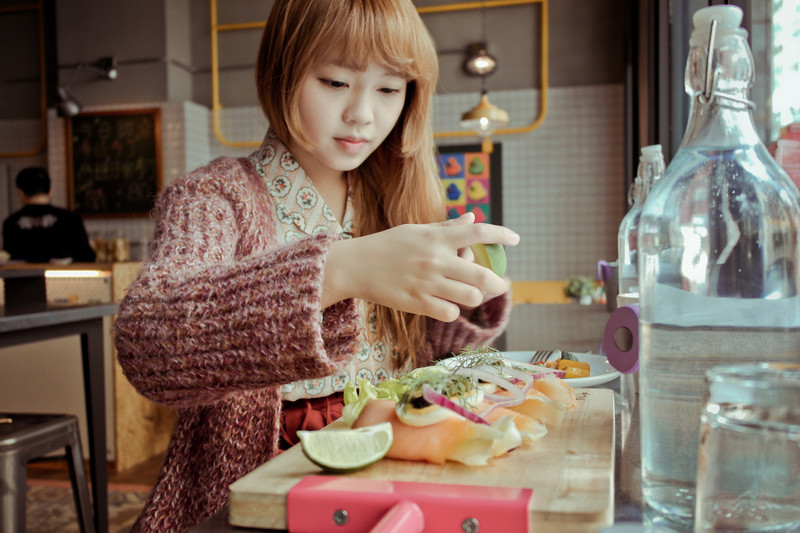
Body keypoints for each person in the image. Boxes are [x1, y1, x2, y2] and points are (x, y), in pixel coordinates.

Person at [113, 0, 519, 530]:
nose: (362, 114)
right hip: (255, 493)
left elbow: (419, 361)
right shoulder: (213, 196)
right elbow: (149, 343)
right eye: (335, 82)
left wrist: (463, 296)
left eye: (389, 89)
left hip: (388, 470)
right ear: (281, 72)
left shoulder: (399, 199)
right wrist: (340, 270)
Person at [2, 167, 96, 263]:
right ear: (50, 191)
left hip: (23, 274)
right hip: (64, 273)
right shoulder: (70, 218)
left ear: (21, 193)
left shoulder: (10, 223)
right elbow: (88, 257)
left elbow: (9, 260)